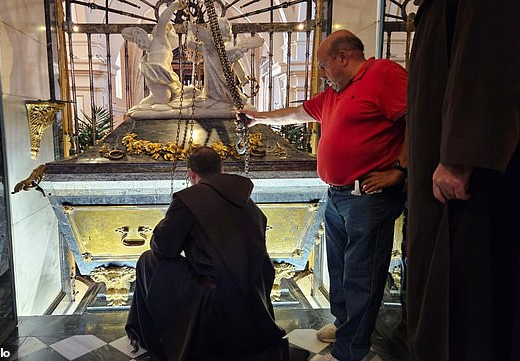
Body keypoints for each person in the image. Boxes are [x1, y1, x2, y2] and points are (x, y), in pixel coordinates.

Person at [236, 30, 407, 361]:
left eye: (324, 65)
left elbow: (416, 117)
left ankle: (350, 351)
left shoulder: (383, 74)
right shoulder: (335, 94)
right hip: (338, 197)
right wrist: (257, 117)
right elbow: (297, 114)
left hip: (368, 197)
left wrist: (401, 170)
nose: (322, 73)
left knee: (362, 276)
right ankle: (345, 326)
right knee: (341, 273)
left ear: (343, 57)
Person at [405, 1, 520, 360]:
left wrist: (459, 156)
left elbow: (487, 55)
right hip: (447, 170)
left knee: (466, 301)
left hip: (470, 187)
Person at [125, 146, 289, 361]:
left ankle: (155, 337)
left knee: (148, 260)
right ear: (221, 170)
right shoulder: (246, 200)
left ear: (192, 173)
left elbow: (163, 247)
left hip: (213, 297)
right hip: (252, 295)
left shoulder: (190, 198)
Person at [122, 0, 184, 110]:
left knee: (157, 99)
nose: (176, 35)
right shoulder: (160, 38)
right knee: (163, 103)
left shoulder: (162, 46)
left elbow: (166, 65)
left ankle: (151, 102)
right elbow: (164, 20)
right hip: (157, 75)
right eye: (173, 32)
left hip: (158, 75)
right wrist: (174, 6)